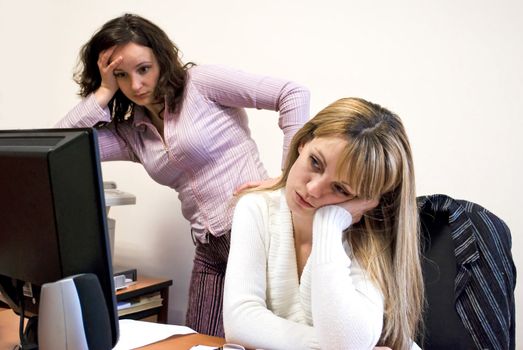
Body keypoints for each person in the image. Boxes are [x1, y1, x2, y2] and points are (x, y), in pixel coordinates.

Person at [55, 13, 310, 337]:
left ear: (161, 59)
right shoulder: (133, 133)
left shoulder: (201, 84)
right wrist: (103, 92)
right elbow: (62, 144)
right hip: (208, 244)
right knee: (200, 341)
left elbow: (293, 94)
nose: (136, 85)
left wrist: (288, 177)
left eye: (143, 69)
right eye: (121, 75)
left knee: (267, 339)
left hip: (257, 230)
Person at [223, 97, 424, 349]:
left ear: (366, 201)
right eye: (315, 162)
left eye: (340, 188)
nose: (313, 189)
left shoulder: (365, 237)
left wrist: (330, 223)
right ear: (304, 142)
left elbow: (348, 340)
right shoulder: (257, 208)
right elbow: (240, 321)